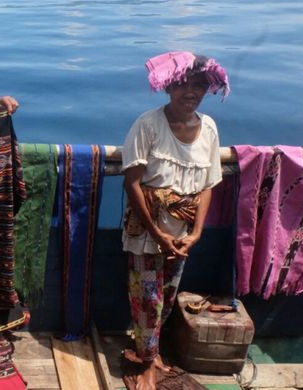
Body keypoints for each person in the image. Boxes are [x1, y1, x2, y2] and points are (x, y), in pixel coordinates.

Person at [120, 51, 229, 390]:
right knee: (146, 299)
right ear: (169, 87)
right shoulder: (148, 125)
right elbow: (133, 181)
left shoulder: (208, 127)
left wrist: (195, 233)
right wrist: (156, 232)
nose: (190, 93)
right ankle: (149, 364)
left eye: (198, 86)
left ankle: (150, 353)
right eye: (183, 85)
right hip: (147, 233)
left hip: (181, 234)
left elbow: (209, 184)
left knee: (167, 295)